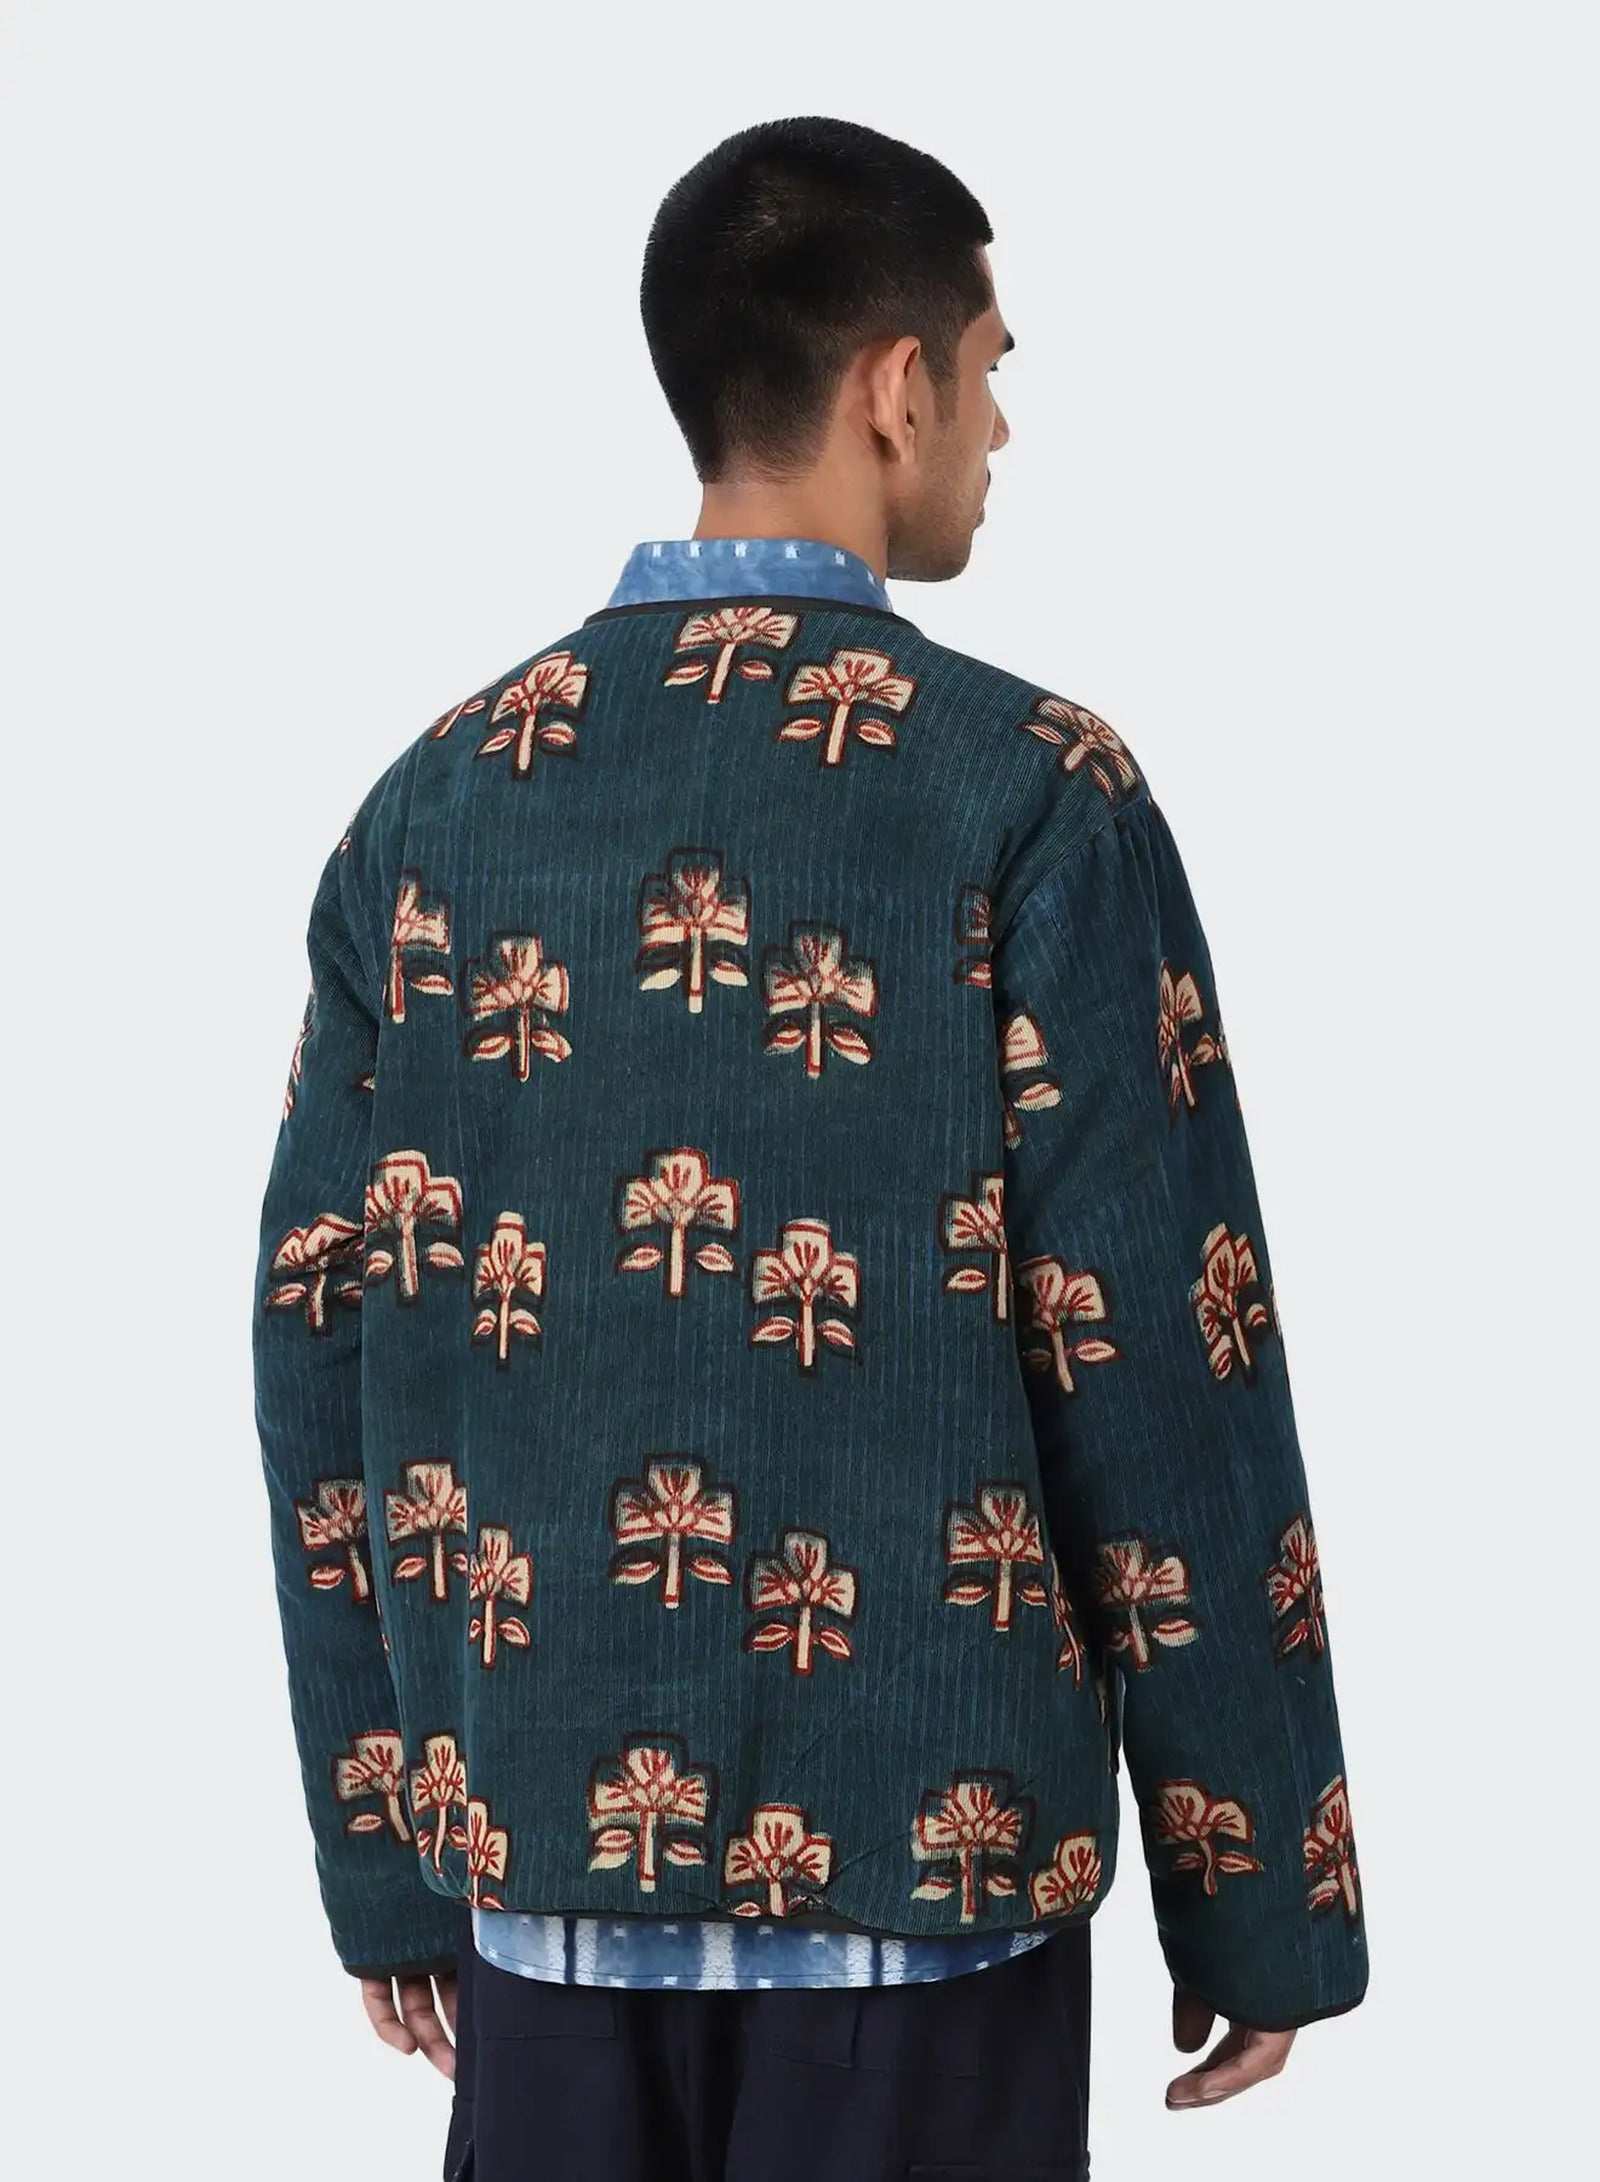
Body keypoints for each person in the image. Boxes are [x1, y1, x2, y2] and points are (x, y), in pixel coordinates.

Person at [253, 115, 1367, 2182]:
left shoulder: (437, 806)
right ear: (895, 385)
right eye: (994, 369)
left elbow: (319, 1335)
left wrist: (387, 1846)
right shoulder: (1029, 797)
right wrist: (1260, 1888)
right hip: (927, 1912)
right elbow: (1158, 1352)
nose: (1000, 427)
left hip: (542, 1901)